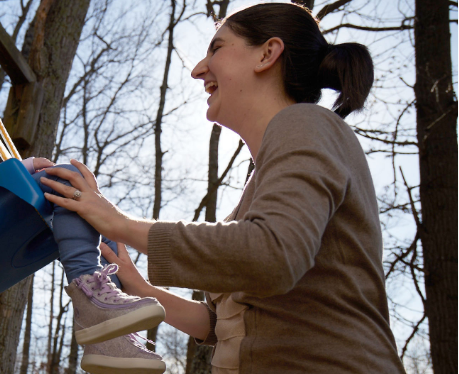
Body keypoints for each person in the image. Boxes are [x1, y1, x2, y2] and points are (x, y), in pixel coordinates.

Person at [40, 3, 406, 373]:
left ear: (267, 53)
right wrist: (142, 289)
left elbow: (272, 255)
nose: (199, 69)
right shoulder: (255, 192)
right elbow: (221, 326)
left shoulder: (308, 122)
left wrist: (120, 224)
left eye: (216, 48)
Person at [0, 68, 167, 373]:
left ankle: (110, 339)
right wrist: (23, 168)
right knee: (69, 180)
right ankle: (89, 295)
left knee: (98, 227)